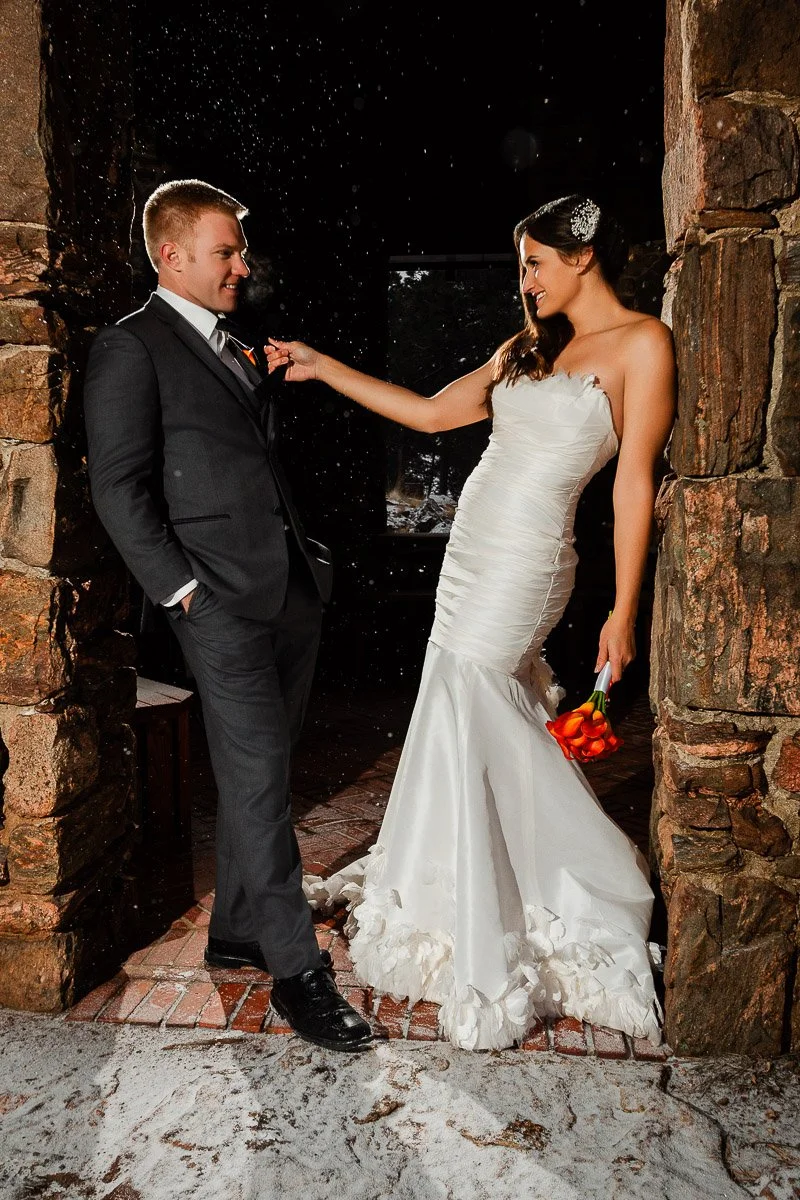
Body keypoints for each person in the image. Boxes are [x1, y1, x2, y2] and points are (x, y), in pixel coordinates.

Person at [265, 194, 676, 1051]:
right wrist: (323, 365)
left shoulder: (644, 344)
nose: (523, 282)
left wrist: (623, 608)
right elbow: (428, 412)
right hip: (472, 552)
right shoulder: (526, 350)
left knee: (482, 696)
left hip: (530, 559)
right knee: (461, 704)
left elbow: (634, 483)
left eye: (534, 263)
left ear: (583, 255)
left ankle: (573, 882)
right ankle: (473, 873)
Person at [83, 179, 373, 1053]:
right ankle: (297, 976)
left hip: (288, 592)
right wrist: (183, 593)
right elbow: (118, 488)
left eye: (240, 253)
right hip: (213, 601)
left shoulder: (234, 345)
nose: (242, 267)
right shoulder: (129, 349)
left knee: (269, 771)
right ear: (169, 256)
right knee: (254, 780)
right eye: (226, 253)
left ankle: (240, 931)